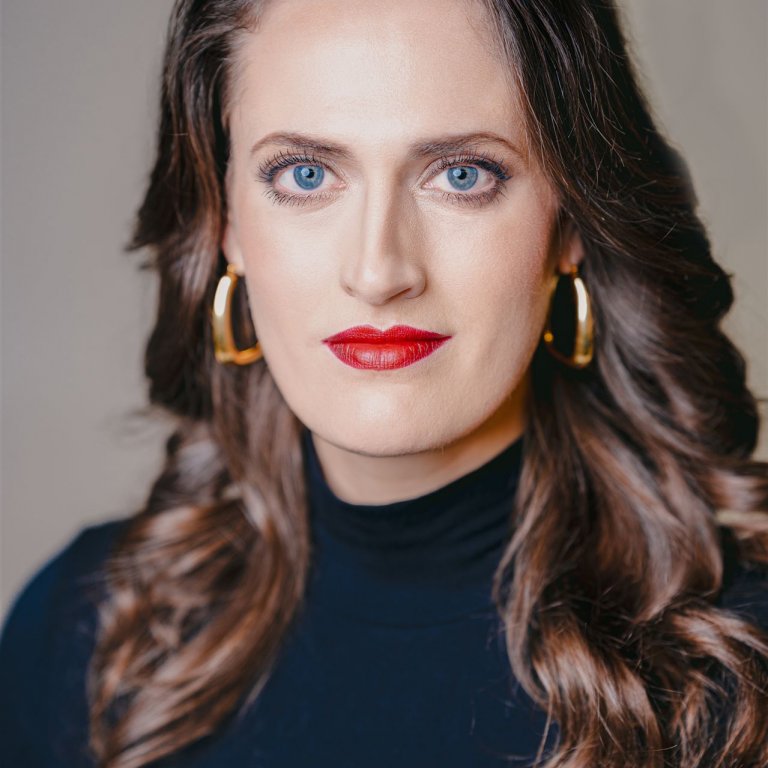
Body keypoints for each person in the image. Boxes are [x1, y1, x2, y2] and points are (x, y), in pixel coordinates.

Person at [1, 0, 767, 766]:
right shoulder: (81, 633)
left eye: (462, 175)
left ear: (569, 223)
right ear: (225, 217)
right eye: (305, 175)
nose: (378, 272)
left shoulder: (746, 658)